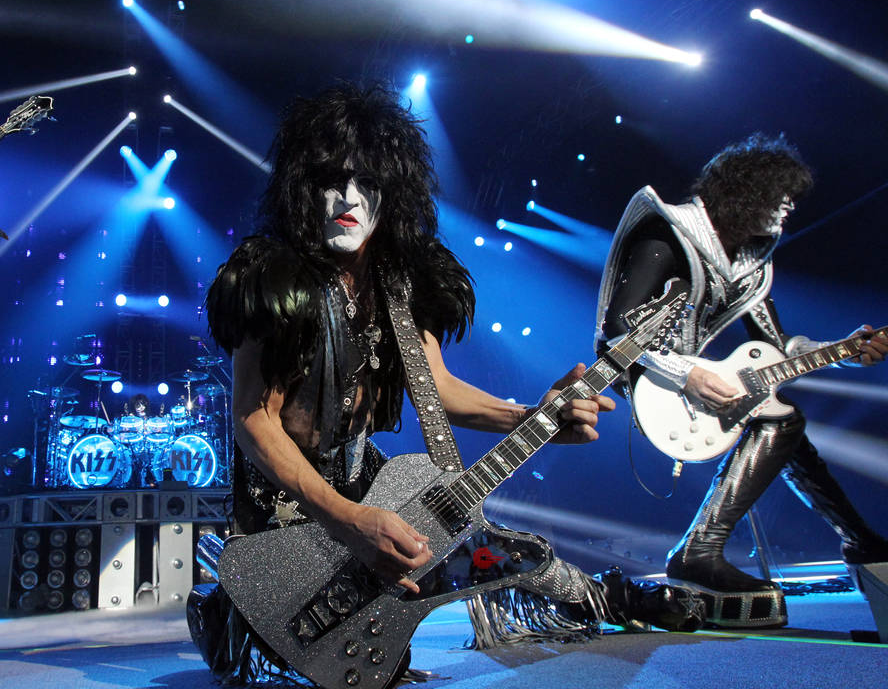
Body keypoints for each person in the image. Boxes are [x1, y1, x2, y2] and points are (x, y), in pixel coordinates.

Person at [189, 83, 703, 686]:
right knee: (294, 659)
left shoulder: (402, 285)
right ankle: (222, 613)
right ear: (304, 186)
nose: (348, 199)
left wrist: (535, 419)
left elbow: (439, 391)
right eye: (331, 180)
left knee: (499, 550)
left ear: (392, 193)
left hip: (367, 484)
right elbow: (253, 420)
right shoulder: (272, 277)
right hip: (286, 507)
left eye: (367, 183)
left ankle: (610, 599)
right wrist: (349, 521)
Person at [596, 132, 888, 628]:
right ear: (746, 192)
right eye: (781, 195)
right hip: (647, 377)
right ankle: (698, 550)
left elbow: (778, 345)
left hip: (697, 374)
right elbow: (618, 328)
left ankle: (860, 542)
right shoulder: (667, 235)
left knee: (783, 423)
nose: (788, 206)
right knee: (784, 424)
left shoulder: (751, 264)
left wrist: (844, 352)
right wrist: (689, 373)